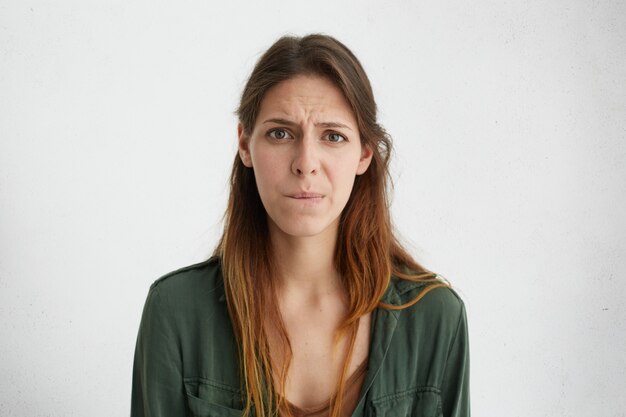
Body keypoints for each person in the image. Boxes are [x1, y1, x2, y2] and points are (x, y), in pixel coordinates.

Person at [131, 34, 470, 417]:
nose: (305, 162)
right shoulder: (176, 312)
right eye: (281, 133)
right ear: (244, 144)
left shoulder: (436, 318)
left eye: (332, 136)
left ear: (363, 153)